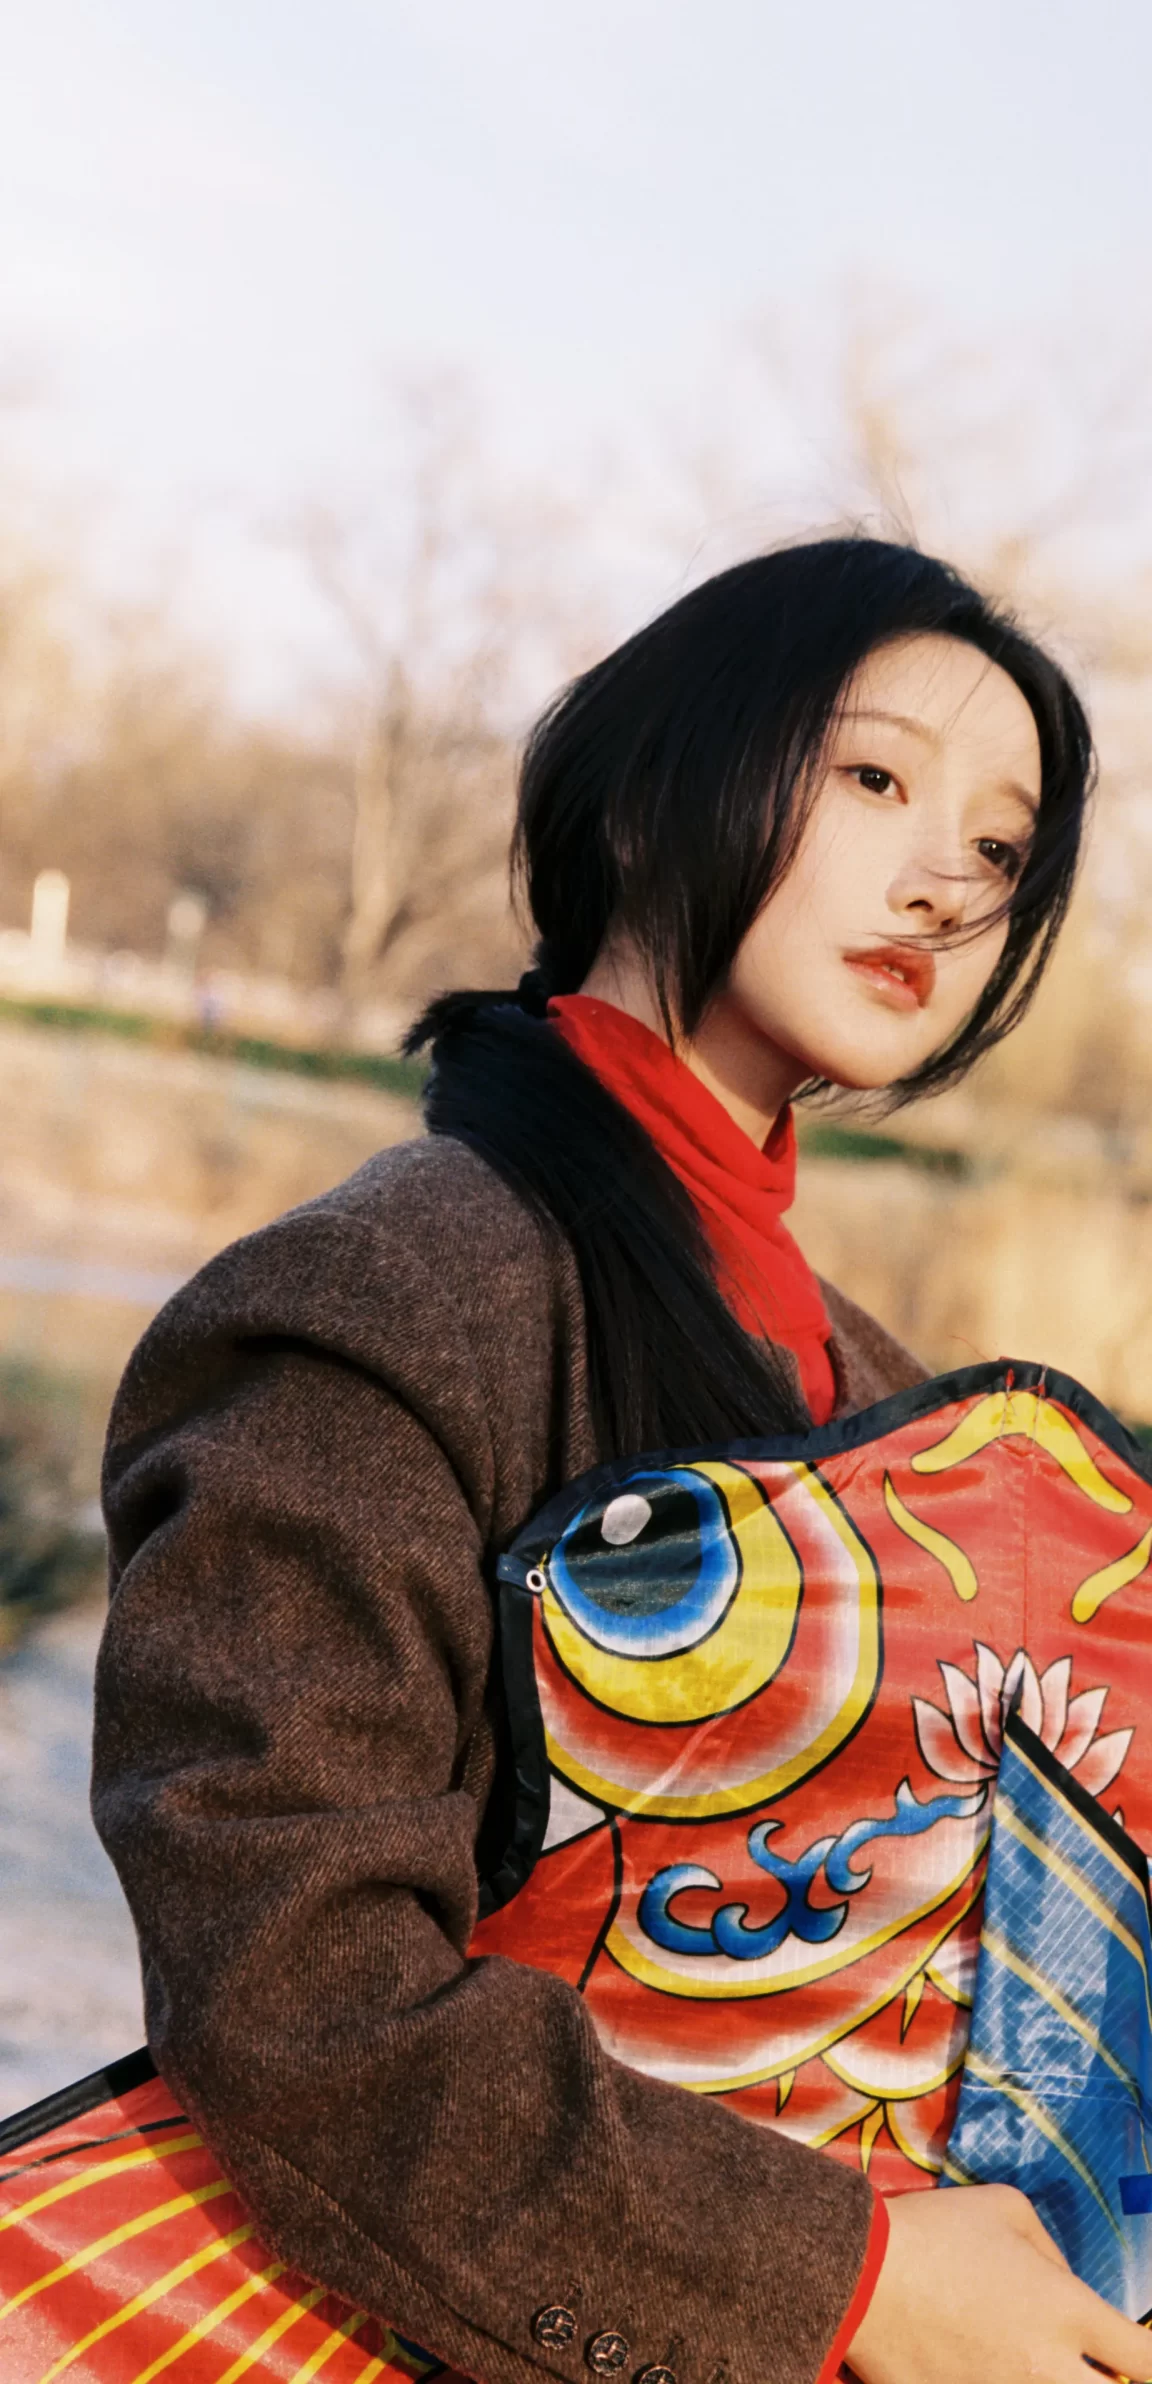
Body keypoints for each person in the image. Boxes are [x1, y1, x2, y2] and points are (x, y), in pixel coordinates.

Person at [92, 537, 1152, 2384]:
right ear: (656, 795)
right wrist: (847, 2282)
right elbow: (298, 1992)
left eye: (1000, 850)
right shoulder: (381, 1303)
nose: (943, 883)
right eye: (876, 777)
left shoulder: (888, 1388)